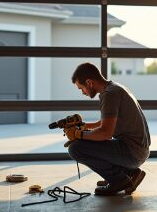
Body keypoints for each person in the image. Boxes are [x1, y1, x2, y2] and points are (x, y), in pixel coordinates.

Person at [64, 62, 150, 196]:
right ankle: (131, 173)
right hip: (137, 150)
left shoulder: (109, 95)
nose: (83, 93)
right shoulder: (114, 88)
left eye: (82, 88)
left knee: (75, 148)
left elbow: (105, 133)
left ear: (89, 82)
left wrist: (77, 134)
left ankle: (119, 180)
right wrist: (84, 127)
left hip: (132, 153)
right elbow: (104, 123)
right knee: (90, 140)